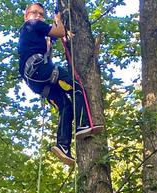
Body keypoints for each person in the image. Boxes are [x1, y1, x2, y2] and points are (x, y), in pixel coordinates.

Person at [17, 2, 102, 166]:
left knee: (65, 105)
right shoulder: (33, 25)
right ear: (26, 16)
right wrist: (58, 19)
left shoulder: (32, 35)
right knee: (77, 86)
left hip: (36, 81)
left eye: (41, 14)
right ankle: (82, 125)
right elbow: (60, 31)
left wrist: (54, 37)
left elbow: (53, 38)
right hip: (39, 70)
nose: (38, 16)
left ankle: (63, 146)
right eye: (34, 12)